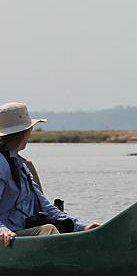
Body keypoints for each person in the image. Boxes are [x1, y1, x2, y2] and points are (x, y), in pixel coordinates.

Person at [0, 102, 100, 247]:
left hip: (20, 234)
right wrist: (2, 230)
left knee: (56, 227)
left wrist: (81, 228)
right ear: (24, 132)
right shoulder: (2, 164)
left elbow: (46, 207)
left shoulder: (19, 165)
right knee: (48, 230)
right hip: (7, 237)